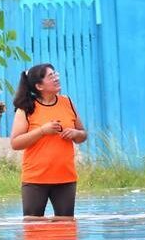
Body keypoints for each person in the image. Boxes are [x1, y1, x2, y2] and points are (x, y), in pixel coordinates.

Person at [10, 64, 87, 219]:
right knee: (33, 226)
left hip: (65, 177)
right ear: (39, 86)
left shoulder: (68, 102)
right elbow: (16, 143)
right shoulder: (26, 109)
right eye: (51, 76)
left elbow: (83, 135)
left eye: (55, 74)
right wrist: (42, 131)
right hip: (35, 178)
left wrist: (75, 133)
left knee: (66, 227)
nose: (56, 78)